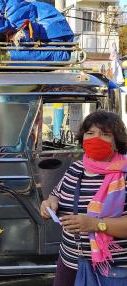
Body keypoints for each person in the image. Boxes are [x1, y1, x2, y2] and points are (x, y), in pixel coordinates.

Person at [40, 111, 127, 286]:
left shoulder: (124, 175)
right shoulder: (76, 169)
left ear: (116, 142)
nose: (96, 138)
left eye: (105, 134)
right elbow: (55, 195)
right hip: (70, 262)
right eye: (90, 133)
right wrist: (49, 204)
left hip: (113, 269)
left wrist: (95, 224)